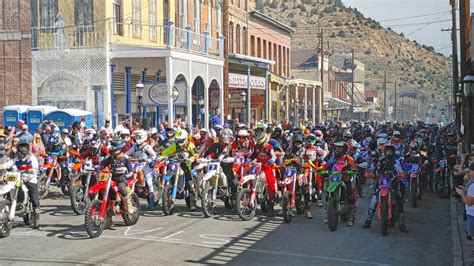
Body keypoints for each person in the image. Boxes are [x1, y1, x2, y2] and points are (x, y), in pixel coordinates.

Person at [362, 143, 408, 232]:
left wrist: (401, 175)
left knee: (399, 201)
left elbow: (400, 171)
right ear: (384, 152)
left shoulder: (396, 161)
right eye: (387, 151)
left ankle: (402, 224)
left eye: (391, 151)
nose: (389, 153)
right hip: (381, 184)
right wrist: (371, 173)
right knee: (374, 200)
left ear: (393, 152)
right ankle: (368, 220)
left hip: (393, 184)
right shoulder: (380, 161)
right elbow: (373, 169)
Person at [100, 139, 134, 229]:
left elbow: (131, 171)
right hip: (111, 179)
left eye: (114, 147)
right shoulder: (110, 158)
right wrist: (97, 167)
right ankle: (108, 220)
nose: (112, 149)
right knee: (104, 195)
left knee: (121, 188)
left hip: (121, 179)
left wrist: (126, 176)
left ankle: (128, 203)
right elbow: (102, 164)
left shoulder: (125, 158)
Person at [161, 129, 199, 211]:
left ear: (185, 138)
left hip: (187, 165)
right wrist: (161, 156)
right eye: (177, 140)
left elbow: (196, 154)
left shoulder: (190, 145)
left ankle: (193, 203)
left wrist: (192, 158)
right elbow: (165, 152)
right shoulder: (175, 145)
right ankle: (169, 195)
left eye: (180, 140)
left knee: (190, 184)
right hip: (176, 164)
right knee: (171, 175)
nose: (178, 141)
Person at [11, 139, 41, 229]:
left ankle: (37, 219)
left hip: (30, 180)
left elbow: (35, 171)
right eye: (21, 147)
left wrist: (26, 179)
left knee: (34, 198)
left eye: (24, 147)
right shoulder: (16, 158)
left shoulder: (32, 158)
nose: (23, 149)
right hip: (18, 178)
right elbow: (12, 167)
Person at [127, 129, 158, 210]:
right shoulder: (135, 146)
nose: (137, 138)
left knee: (149, 181)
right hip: (136, 165)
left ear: (143, 137)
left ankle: (151, 203)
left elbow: (154, 155)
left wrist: (149, 160)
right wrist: (124, 156)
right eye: (136, 136)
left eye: (139, 136)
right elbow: (128, 153)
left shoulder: (147, 147)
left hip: (145, 165)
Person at [455, 163, 474, 240]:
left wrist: (461, 193)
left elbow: (469, 202)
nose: (468, 172)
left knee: (472, 236)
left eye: (471, 171)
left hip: (472, 214)